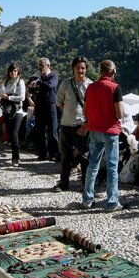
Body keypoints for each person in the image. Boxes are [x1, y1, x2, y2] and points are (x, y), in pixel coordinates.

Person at [81, 59, 126, 211]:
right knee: (112, 167)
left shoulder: (91, 87)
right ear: (113, 72)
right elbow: (119, 114)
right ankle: (112, 202)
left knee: (92, 164)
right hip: (110, 131)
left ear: (100, 71)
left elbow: (85, 111)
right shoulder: (115, 88)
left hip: (94, 130)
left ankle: (87, 199)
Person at [54, 56, 92, 190]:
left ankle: (86, 184)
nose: (80, 70)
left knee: (84, 156)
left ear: (86, 69)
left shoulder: (90, 86)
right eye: (77, 67)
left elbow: (93, 108)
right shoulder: (66, 83)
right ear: (73, 68)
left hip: (82, 126)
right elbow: (58, 101)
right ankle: (64, 183)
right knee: (65, 156)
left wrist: (86, 124)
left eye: (83, 68)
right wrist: (69, 111)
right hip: (66, 125)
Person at [29, 57, 60, 161]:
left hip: (50, 106)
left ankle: (54, 154)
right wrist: (34, 85)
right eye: (39, 65)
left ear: (48, 66)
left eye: (42, 65)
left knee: (52, 131)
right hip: (39, 107)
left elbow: (49, 86)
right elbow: (30, 89)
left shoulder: (53, 76)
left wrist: (38, 84)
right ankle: (42, 153)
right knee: (40, 131)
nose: (40, 67)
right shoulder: (38, 78)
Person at [0, 63, 26, 167]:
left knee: (14, 134)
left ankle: (16, 157)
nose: (13, 73)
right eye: (11, 71)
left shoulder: (20, 82)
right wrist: (5, 96)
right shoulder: (5, 82)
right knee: (10, 134)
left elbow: (22, 97)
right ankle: (13, 156)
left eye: (15, 71)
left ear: (18, 72)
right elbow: (1, 93)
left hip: (17, 111)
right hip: (7, 111)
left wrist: (8, 97)